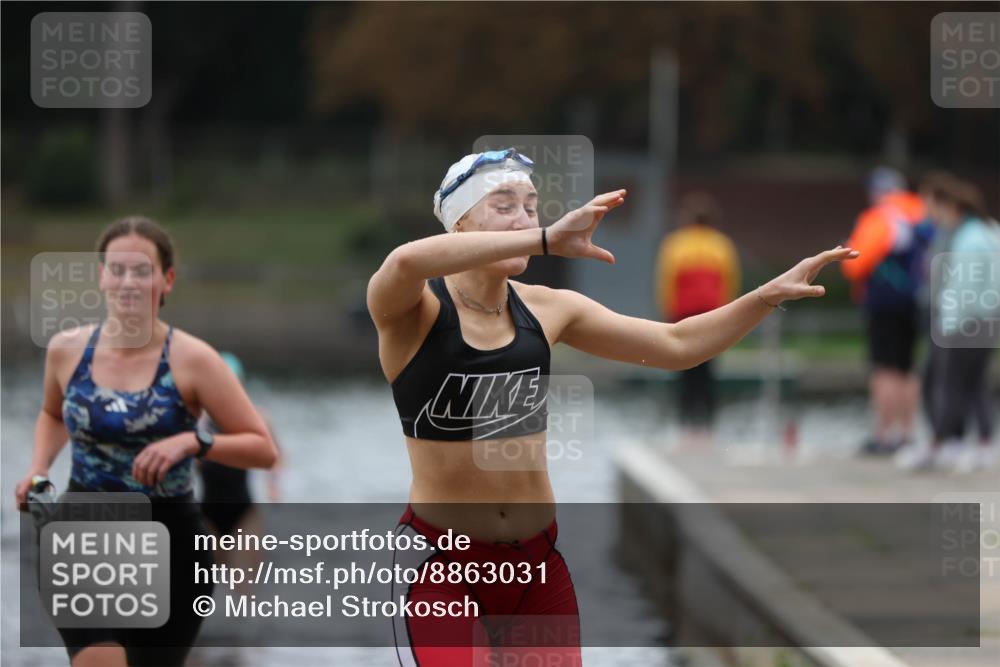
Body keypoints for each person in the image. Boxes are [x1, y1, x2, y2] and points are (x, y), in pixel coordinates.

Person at [367, 148, 859, 665]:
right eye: (505, 205)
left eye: (532, 207)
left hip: (535, 569)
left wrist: (766, 296)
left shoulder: (550, 309)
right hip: (445, 568)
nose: (527, 217)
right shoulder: (413, 312)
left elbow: (677, 345)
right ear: (460, 225)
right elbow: (402, 262)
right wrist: (545, 239)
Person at [14, 216, 278, 667]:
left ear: (166, 279)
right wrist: (38, 467)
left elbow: (262, 448)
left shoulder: (194, 360)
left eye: (142, 270)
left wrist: (194, 443)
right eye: (117, 269)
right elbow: (52, 413)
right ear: (101, 277)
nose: (128, 282)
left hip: (172, 543)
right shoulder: (66, 350)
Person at [896, 173, 1000, 472]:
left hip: (963, 321)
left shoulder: (969, 239)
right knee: (975, 384)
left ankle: (942, 443)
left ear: (951, 206)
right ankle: (980, 443)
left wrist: (947, 324)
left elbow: (962, 289)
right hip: (987, 318)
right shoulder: (990, 231)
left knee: (946, 383)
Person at [842, 167, 931, 455]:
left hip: (883, 304)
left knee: (884, 369)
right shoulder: (921, 215)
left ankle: (884, 434)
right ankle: (907, 432)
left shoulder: (879, 218)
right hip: (914, 302)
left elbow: (854, 263)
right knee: (907, 368)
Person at [654, 192, 741, 441]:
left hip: (684, 316)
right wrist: (728, 314)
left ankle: (685, 424)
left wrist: (667, 312)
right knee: (709, 370)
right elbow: (730, 282)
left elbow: (666, 281)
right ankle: (708, 424)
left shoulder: (675, 244)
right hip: (713, 315)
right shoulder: (721, 245)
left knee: (683, 369)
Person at [198, 351, 283, 592]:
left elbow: (276, 456)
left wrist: (273, 486)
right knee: (205, 586)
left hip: (244, 512)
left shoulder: (257, 420)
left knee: (243, 589)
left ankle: (244, 620)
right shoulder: (200, 422)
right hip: (208, 512)